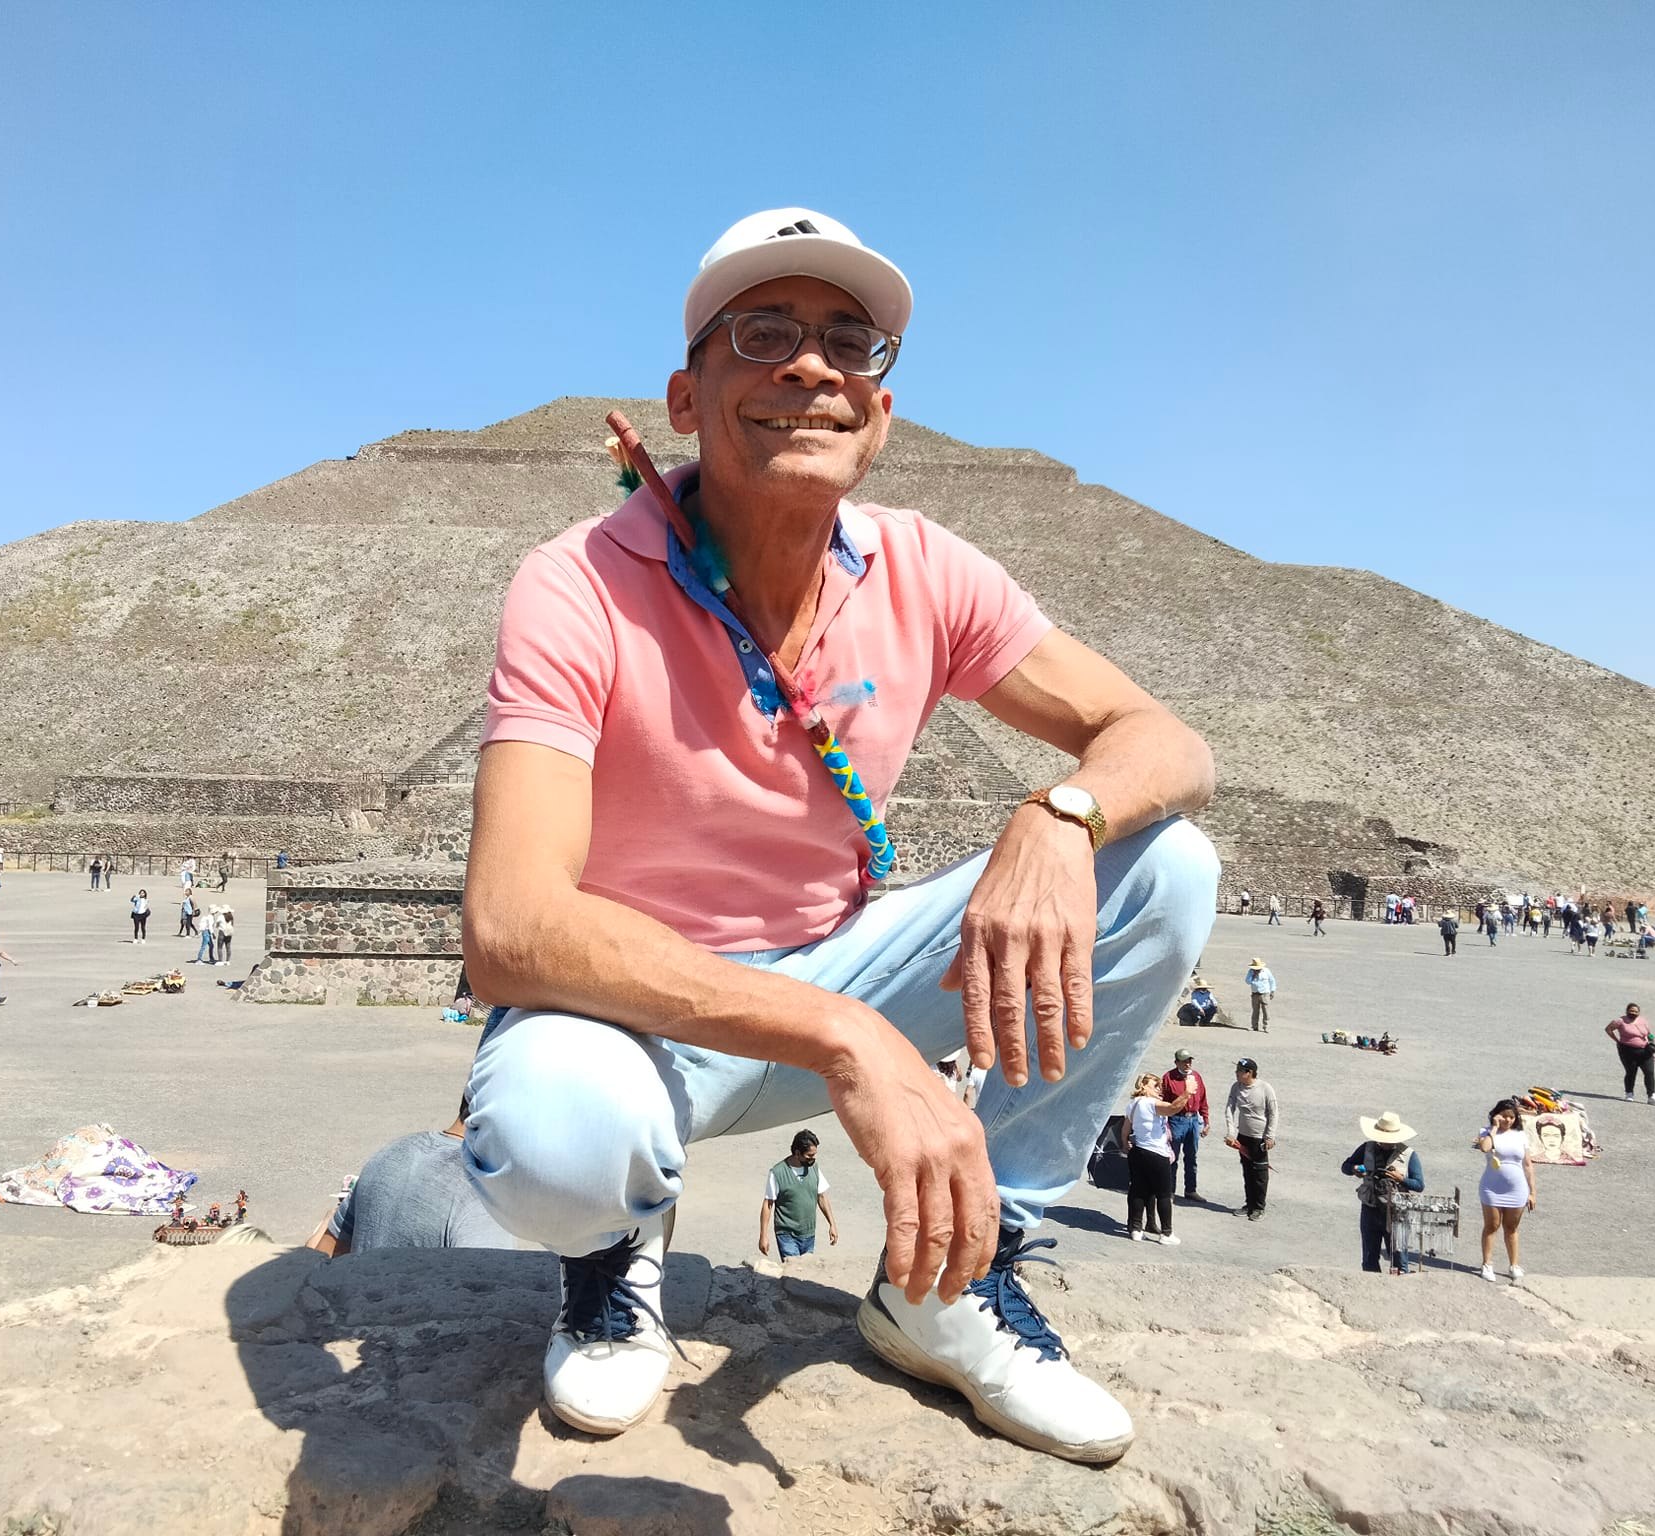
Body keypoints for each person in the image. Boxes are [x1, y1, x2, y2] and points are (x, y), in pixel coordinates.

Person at [457, 208, 1218, 1463]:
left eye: (848, 343)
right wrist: (845, 1036)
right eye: (762, 334)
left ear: (879, 413)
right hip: (634, 1012)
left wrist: (1058, 815)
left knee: (1163, 867)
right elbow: (509, 928)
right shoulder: (576, 581)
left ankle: (953, 1282)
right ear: (684, 399)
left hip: (841, 959)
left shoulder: (923, 569)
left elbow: (1165, 743)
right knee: (553, 1143)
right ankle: (611, 1258)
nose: (811, 366)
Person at [305, 1095, 515, 1258]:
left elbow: (325, 1257)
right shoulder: (483, 1194)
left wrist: (328, 1221)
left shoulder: (389, 1154)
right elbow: (488, 1292)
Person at [1341, 1111, 1424, 1275]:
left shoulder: (1409, 1155)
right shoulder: (1366, 1148)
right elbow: (1345, 1167)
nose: (1386, 1143)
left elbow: (1419, 1185)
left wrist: (1401, 1179)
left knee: (1399, 1261)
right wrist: (1354, 1169)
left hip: (1397, 1214)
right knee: (1369, 1259)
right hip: (1370, 1210)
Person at [1473, 1097, 1535, 1282]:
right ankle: (1487, 1264)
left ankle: (1514, 1265)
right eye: (1504, 1116)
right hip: (1492, 1187)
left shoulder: (1520, 1135)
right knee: (1491, 1226)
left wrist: (1532, 1192)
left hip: (1517, 1188)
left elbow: (1528, 1164)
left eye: (1512, 1117)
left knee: (1511, 1227)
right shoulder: (1486, 1132)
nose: (1508, 1120)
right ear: (1496, 1115)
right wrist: (1494, 1128)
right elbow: (1485, 1148)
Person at [1124, 1073, 1188, 1245]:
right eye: (1155, 1086)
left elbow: (1125, 1128)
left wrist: (1125, 1143)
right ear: (1144, 1087)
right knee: (1164, 1194)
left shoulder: (1133, 1104)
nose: (1159, 1089)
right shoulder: (1150, 1103)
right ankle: (1166, 1233)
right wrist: (1187, 1092)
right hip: (1156, 1153)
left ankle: (1136, 1229)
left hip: (1138, 1151)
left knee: (1138, 1190)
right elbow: (1173, 1108)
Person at [760, 1129, 839, 1260]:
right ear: (797, 1153)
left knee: (805, 1270)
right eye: (809, 1156)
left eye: (814, 1155)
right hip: (786, 1234)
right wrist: (763, 1235)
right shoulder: (777, 1172)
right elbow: (768, 1204)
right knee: (794, 1269)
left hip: (808, 1233)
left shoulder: (814, 1168)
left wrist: (832, 1224)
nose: (812, 1159)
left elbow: (822, 1197)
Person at [1224, 1058, 1277, 1220]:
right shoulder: (1236, 1087)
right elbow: (1229, 1109)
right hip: (1243, 1136)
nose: (1236, 1073)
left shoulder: (1265, 1088)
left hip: (1259, 1138)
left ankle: (1259, 1207)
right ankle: (1249, 1204)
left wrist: (1270, 1136)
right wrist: (1231, 1133)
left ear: (1249, 1073)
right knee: (1247, 1171)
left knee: (1259, 1174)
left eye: (1240, 1071)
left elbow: (1273, 1113)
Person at [1159, 1048, 1210, 1201]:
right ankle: (1169, 1191)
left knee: (1191, 1157)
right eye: (1184, 1061)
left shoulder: (1196, 1077)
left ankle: (1190, 1190)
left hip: (1193, 1120)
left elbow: (1203, 1100)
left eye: (1189, 1061)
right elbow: (1163, 1102)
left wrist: (1206, 1121)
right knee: (1172, 1157)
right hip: (1176, 1120)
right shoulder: (1168, 1078)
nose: (1188, 1064)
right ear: (1176, 1062)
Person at [1605, 1003, 1655, 1104]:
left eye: (1635, 1011)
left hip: (1645, 1051)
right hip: (1628, 1051)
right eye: (1631, 1011)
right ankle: (1629, 1093)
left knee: (1649, 1072)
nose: (1633, 1013)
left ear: (1639, 1012)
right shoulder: (1620, 1021)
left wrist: (1652, 1047)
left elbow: (1649, 1035)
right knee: (1631, 1072)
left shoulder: (1643, 1021)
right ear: (1627, 1011)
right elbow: (1608, 1029)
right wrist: (1617, 1041)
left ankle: (1652, 1095)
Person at [1244, 958, 1275, 1032]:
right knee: (1255, 1011)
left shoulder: (1266, 971)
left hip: (1265, 994)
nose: (1257, 970)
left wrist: (1272, 991)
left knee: (1266, 1011)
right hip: (1255, 994)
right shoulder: (1251, 972)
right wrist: (1253, 975)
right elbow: (1247, 981)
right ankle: (1254, 1026)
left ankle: (1266, 1026)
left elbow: (1272, 980)